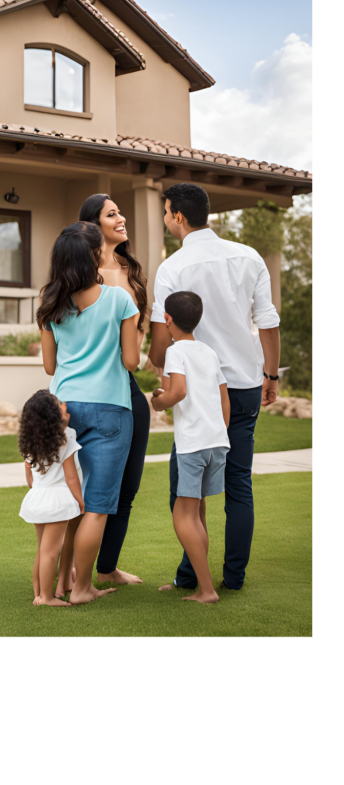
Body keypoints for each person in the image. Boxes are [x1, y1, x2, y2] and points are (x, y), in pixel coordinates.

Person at [148, 183, 280, 591]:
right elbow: (268, 321)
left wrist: (160, 366)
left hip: (195, 391)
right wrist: (271, 376)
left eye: (167, 212)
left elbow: (158, 343)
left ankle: (191, 577)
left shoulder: (172, 268)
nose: (166, 218)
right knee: (238, 482)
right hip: (241, 386)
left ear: (179, 218)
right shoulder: (249, 256)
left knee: (186, 488)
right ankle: (232, 579)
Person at [38, 221, 141, 605]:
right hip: (111, 409)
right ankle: (81, 589)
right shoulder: (119, 300)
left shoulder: (50, 303)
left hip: (64, 409)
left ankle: (63, 582)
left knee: (71, 504)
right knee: (97, 507)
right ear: (95, 255)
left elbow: (50, 366)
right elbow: (131, 362)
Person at [78, 193, 150, 586]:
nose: (122, 218)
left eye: (120, 211)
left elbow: (137, 341)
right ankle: (78, 570)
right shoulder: (79, 273)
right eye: (112, 214)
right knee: (86, 489)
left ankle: (106, 568)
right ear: (94, 224)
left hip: (128, 386)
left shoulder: (131, 270)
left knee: (128, 487)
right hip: (92, 389)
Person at [150, 291, 231, 604]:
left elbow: (179, 392)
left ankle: (207, 590)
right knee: (198, 513)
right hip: (216, 442)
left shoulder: (175, 351)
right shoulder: (208, 351)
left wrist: (158, 403)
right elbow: (222, 395)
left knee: (183, 516)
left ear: (167, 320)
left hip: (192, 445)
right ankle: (200, 584)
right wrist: (220, 429)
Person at [18, 389, 85, 607]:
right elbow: (72, 477)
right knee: (50, 552)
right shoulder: (65, 438)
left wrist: (38, 487)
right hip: (57, 500)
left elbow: (29, 475)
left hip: (37, 497)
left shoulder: (32, 441)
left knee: (42, 550)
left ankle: (38, 594)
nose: (65, 405)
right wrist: (81, 501)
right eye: (61, 404)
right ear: (53, 415)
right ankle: (47, 597)